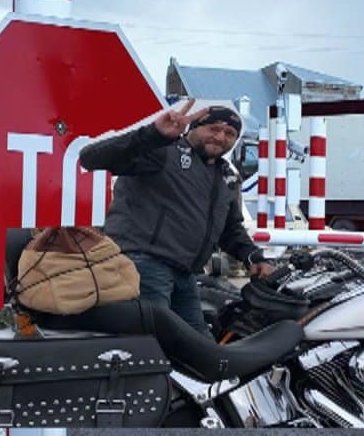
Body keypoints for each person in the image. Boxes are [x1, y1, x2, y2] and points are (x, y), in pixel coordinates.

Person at [79, 99, 274, 337]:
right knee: (152, 342)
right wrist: (153, 134)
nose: (220, 137)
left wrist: (253, 257)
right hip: (143, 264)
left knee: (199, 348)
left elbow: (230, 229)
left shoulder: (227, 176)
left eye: (230, 133)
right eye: (213, 129)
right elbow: (91, 158)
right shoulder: (162, 151)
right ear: (193, 128)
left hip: (186, 274)